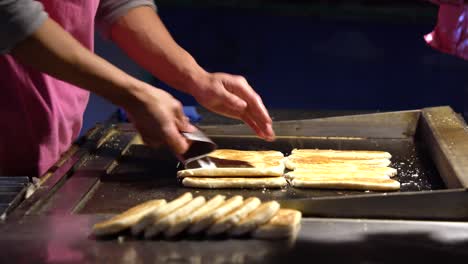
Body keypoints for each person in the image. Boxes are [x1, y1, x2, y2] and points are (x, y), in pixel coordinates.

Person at [0, 0, 276, 177]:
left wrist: (197, 78)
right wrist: (133, 94)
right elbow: (10, 13)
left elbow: (116, 3)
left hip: (46, 151)